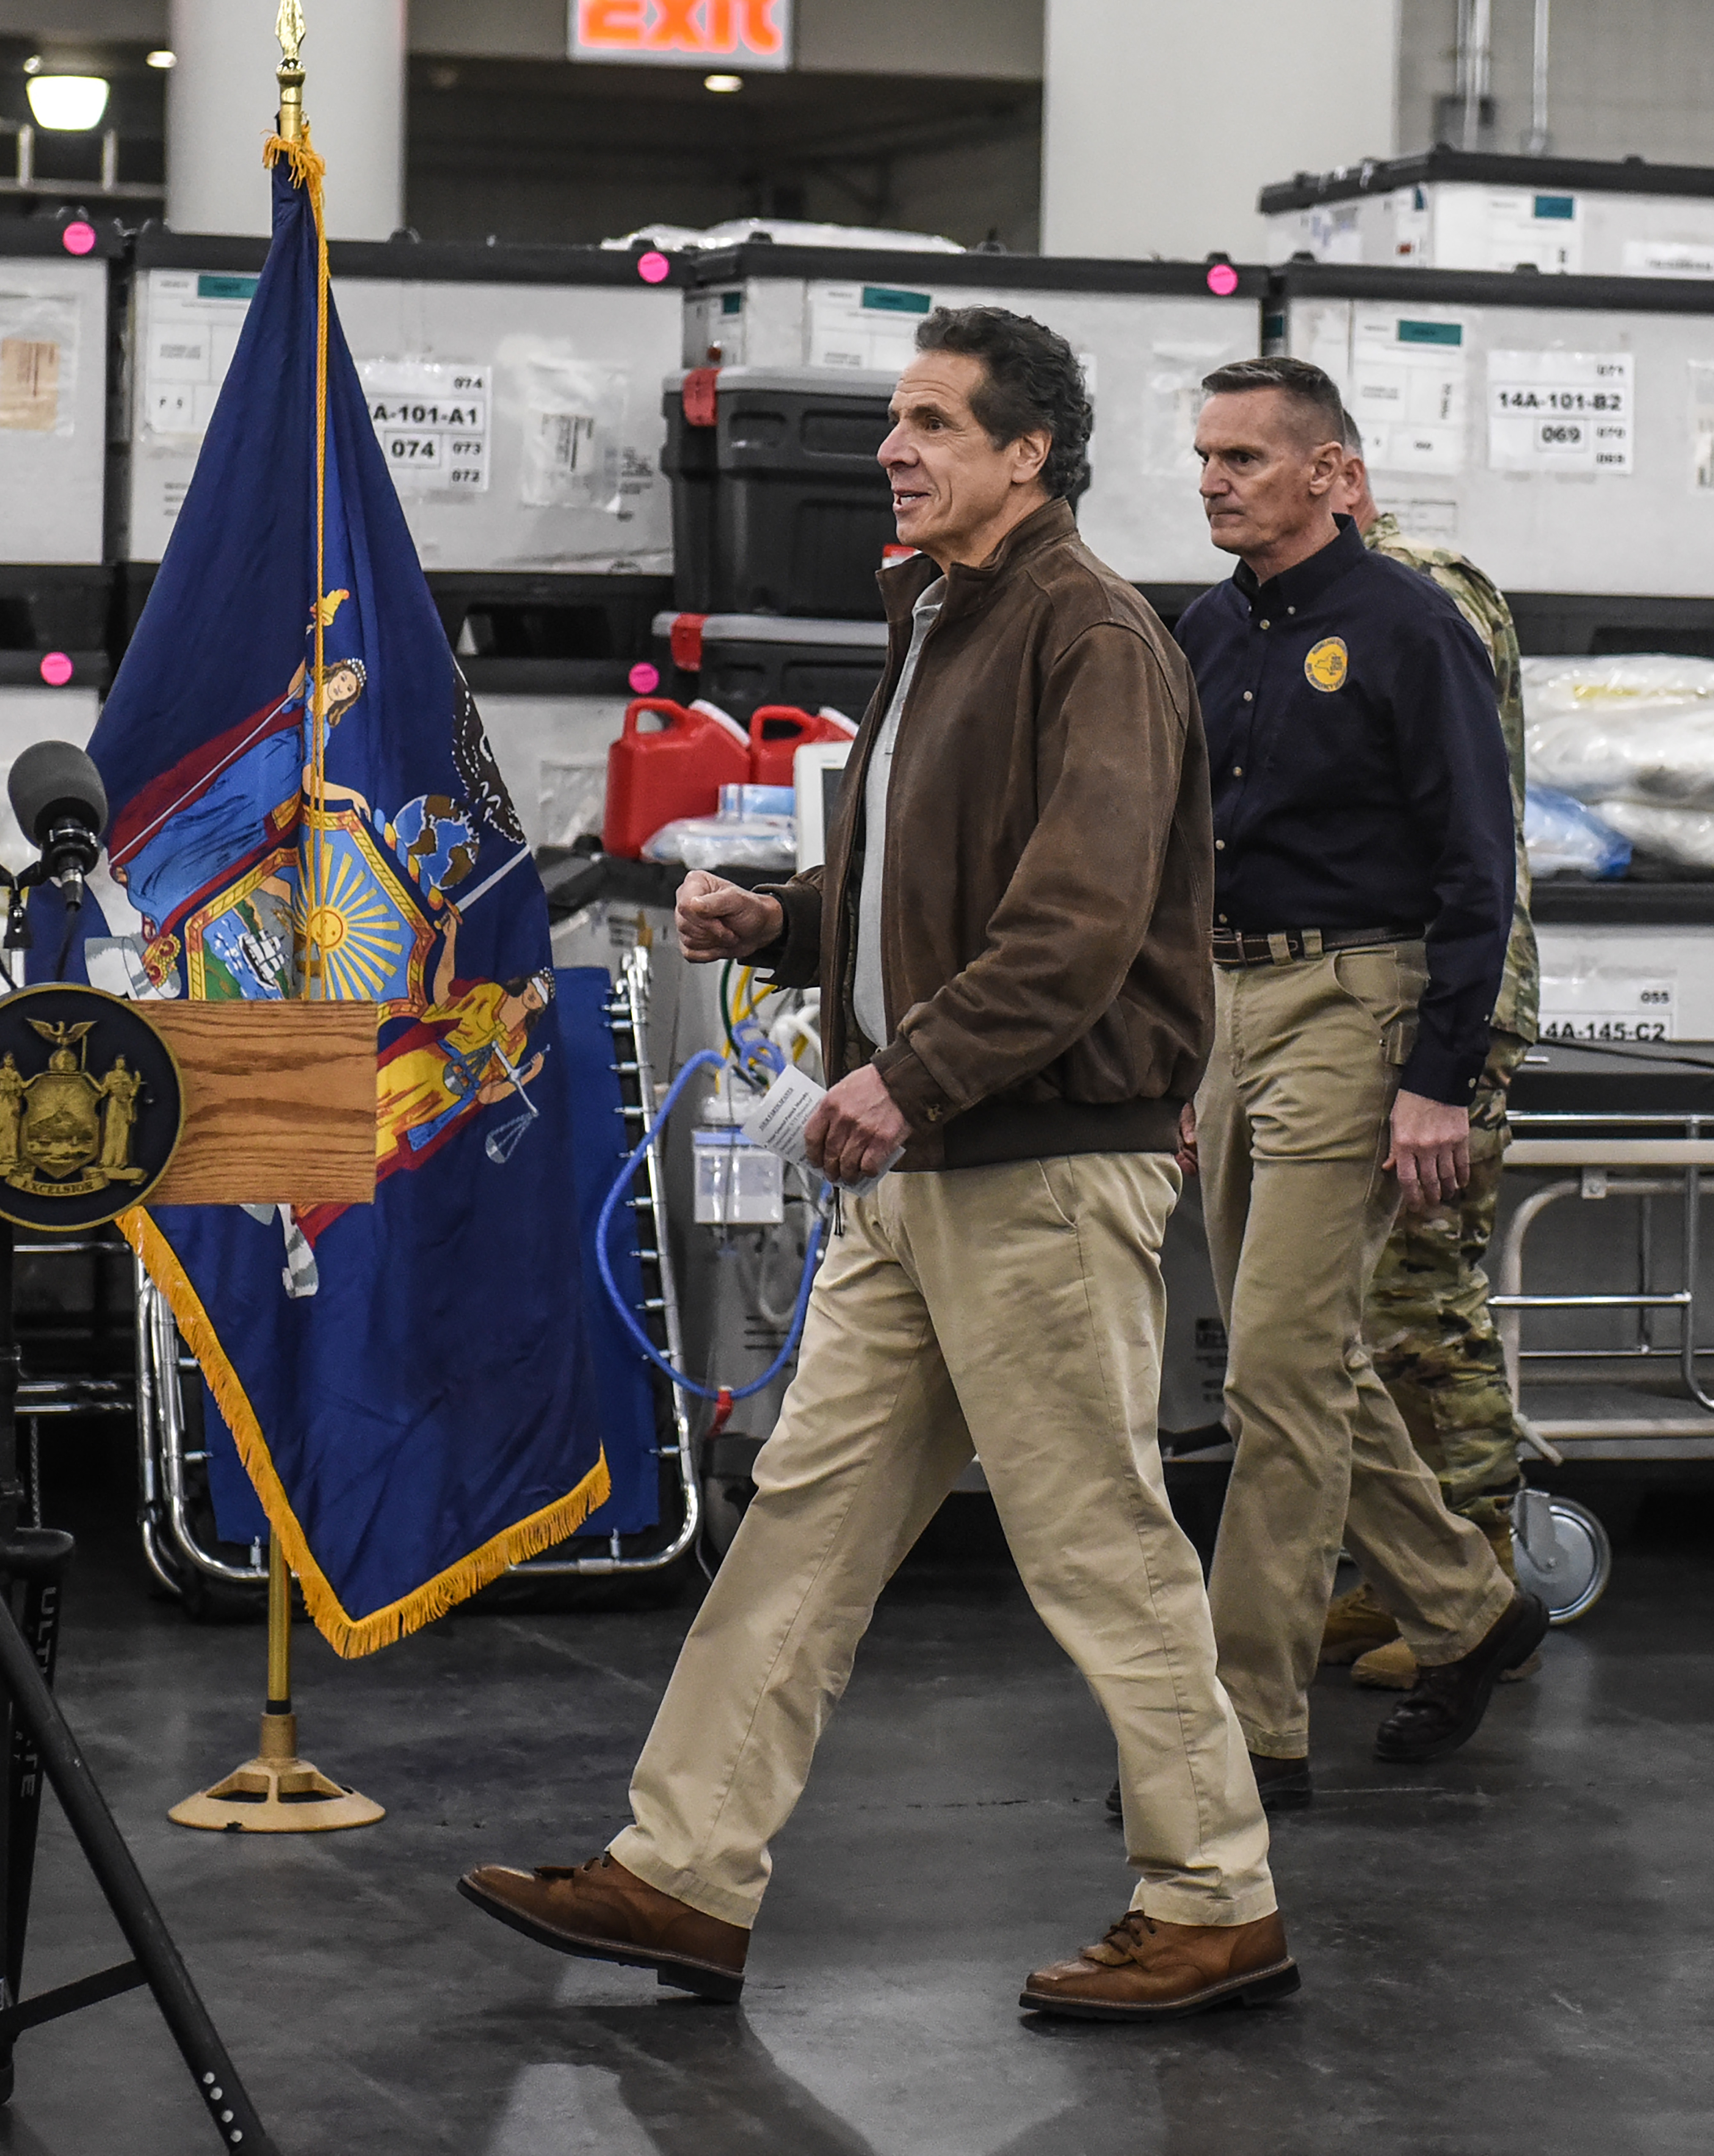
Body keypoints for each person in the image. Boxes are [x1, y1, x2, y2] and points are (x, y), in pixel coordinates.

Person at [462, 306, 1296, 2022]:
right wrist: (785, 921)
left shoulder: (1094, 637)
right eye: (895, 421)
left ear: (1026, 455)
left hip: (1038, 1171)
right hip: (933, 1167)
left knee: (1100, 1543)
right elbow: (940, 899)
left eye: (930, 423)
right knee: (804, 1528)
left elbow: (1073, 932)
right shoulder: (933, 617)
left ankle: (1216, 1900)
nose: (893, 451)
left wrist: (903, 1080)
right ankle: (682, 1871)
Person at [1175, 356, 1547, 1803]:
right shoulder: (1205, 630)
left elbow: (1477, 859)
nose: (1214, 481)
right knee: (1306, 1357)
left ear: (1332, 473)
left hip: (1360, 997)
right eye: (1204, 457)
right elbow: (1184, 850)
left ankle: (1243, 1727)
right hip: (1230, 999)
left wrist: (1438, 1075)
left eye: (1246, 459)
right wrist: (1179, 1046)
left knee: (1271, 1371)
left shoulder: (1409, 624)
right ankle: (1468, 1607)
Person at [1318, 423, 1549, 1696]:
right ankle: (1396, 1569)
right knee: (1345, 1314)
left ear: (1343, 476)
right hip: (1352, 998)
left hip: (1442, 1001)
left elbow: (1456, 833)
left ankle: (1481, 1579)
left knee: (1419, 1295)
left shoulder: (1423, 596)